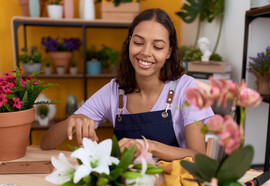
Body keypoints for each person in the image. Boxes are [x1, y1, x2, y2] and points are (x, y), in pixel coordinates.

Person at [40, 8, 214, 161]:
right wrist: (73, 120)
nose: (145, 53)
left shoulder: (188, 89)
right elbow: (46, 143)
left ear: (169, 51)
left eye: (158, 47)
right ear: (129, 42)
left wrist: (149, 146)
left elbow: (198, 157)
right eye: (138, 42)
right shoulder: (114, 90)